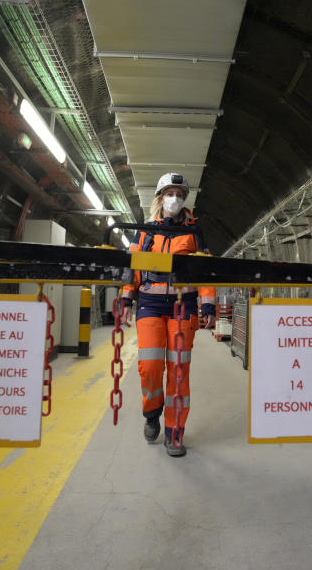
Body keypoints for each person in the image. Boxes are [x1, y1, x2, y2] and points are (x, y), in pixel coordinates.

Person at [121, 172, 215, 457]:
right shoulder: (146, 230)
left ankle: (175, 432)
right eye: (170, 193)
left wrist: (207, 303)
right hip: (150, 302)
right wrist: (127, 296)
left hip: (183, 304)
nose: (175, 199)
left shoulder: (194, 233)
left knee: (178, 370)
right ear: (160, 197)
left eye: (180, 194)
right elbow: (132, 265)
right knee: (150, 367)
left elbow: (205, 270)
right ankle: (152, 413)